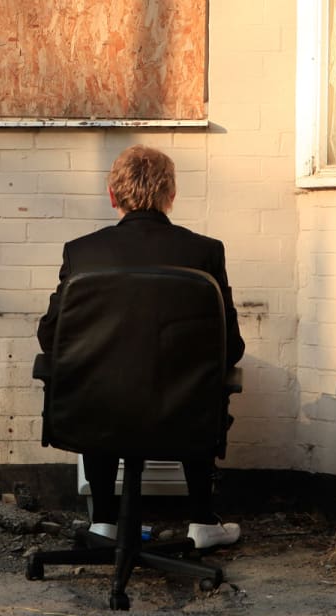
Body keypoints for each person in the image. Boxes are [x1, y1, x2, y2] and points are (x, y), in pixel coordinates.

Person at [36, 144, 245, 550]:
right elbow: (229, 347)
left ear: (112, 195)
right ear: (171, 196)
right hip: (181, 416)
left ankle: (104, 523)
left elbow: (51, 339)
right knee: (196, 384)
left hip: (94, 415)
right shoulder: (204, 252)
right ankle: (202, 521)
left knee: (97, 382)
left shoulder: (83, 253)